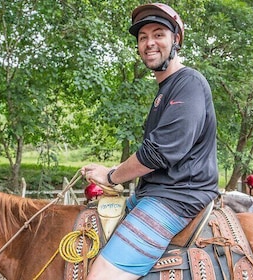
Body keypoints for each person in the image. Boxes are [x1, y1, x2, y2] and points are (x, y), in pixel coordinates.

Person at [81, 3, 218, 280]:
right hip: (153, 194)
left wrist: (111, 176)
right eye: (142, 37)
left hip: (177, 198)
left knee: (100, 276)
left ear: (175, 40)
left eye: (158, 34)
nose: (149, 43)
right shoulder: (165, 90)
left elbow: (159, 153)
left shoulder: (188, 82)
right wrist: (111, 171)